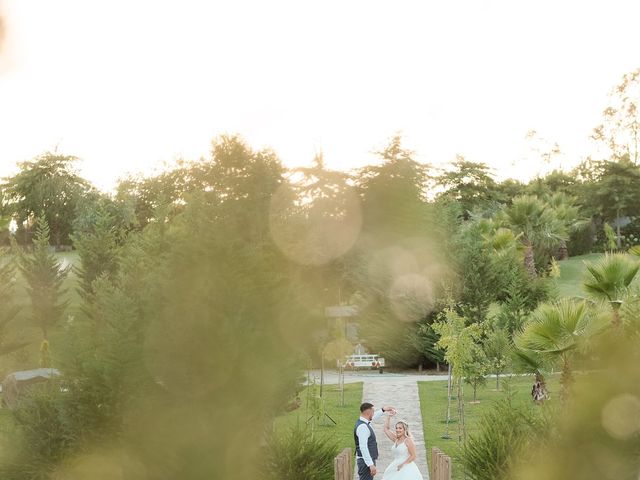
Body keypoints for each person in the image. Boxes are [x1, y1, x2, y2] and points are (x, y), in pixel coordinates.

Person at [355, 402, 396, 480]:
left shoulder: (364, 422)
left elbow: (373, 417)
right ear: (369, 413)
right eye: (373, 412)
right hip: (365, 462)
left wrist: (383, 410)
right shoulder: (363, 427)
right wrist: (370, 464)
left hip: (366, 461)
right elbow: (363, 447)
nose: (374, 414)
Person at [380, 410, 424, 479]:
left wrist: (403, 464)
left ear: (404, 430)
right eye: (396, 428)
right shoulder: (396, 439)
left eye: (400, 428)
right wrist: (388, 417)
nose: (398, 430)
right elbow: (386, 429)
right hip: (395, 465)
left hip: (406, 467)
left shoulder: (408, 440)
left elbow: (413, 456)